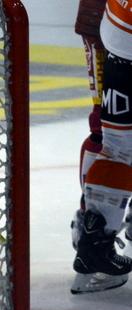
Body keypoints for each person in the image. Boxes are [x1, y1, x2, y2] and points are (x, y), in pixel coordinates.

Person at [70, 0, 132, 294]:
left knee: (115, 146)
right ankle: (94, 239)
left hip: (118, 35)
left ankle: (94, 240)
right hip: (115, 33)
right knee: (106, 139)